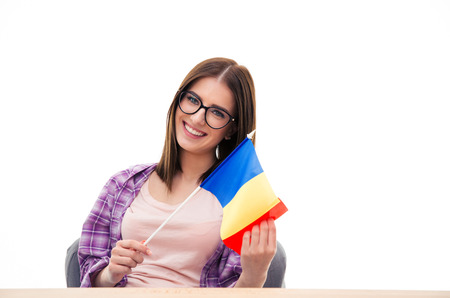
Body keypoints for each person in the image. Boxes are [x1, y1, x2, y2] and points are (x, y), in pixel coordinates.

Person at [78, 57, 277, 288]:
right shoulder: (122, 184)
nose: (196, 118)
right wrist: (110, 273)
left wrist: (255, 276)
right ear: (178, 99)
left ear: (231, 128)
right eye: (193, 100)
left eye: (217, 113)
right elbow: (85, 277)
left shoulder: (241, 203)